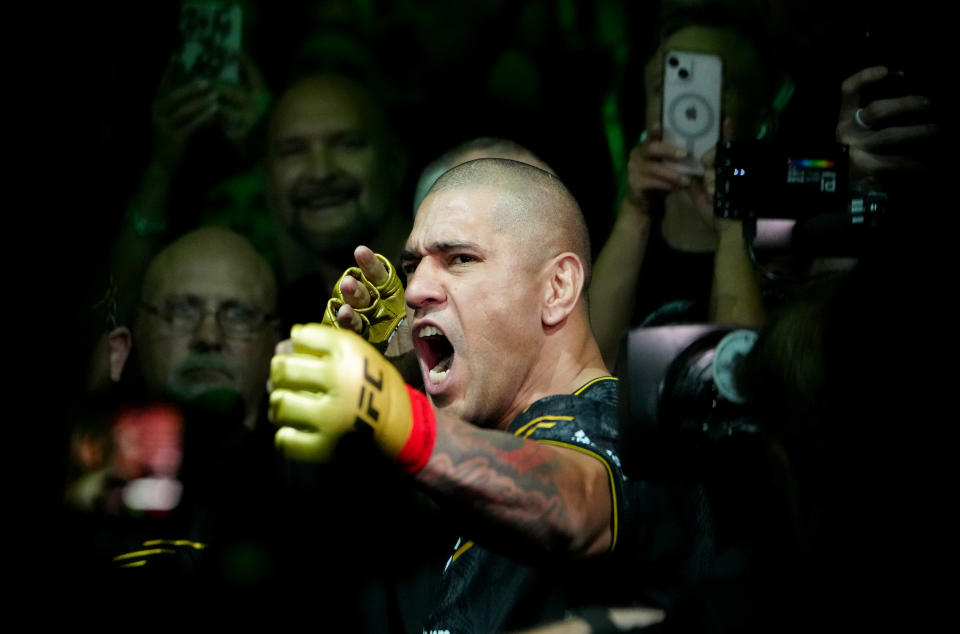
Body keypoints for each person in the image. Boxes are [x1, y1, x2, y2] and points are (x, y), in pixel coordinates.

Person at [270, 159, 714, 632]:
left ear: (558, 288)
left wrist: (387, 408)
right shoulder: (496, 444)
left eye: (460, 258)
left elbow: (577, 501)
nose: (416, 289)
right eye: (412, 266)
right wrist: (377, 388)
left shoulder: (627, 427)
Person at [266, 73, 410, 329]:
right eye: (293, 151)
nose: (320, 172)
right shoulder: (281, 316)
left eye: (347, 145)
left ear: (395, 160)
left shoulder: (444, 292)